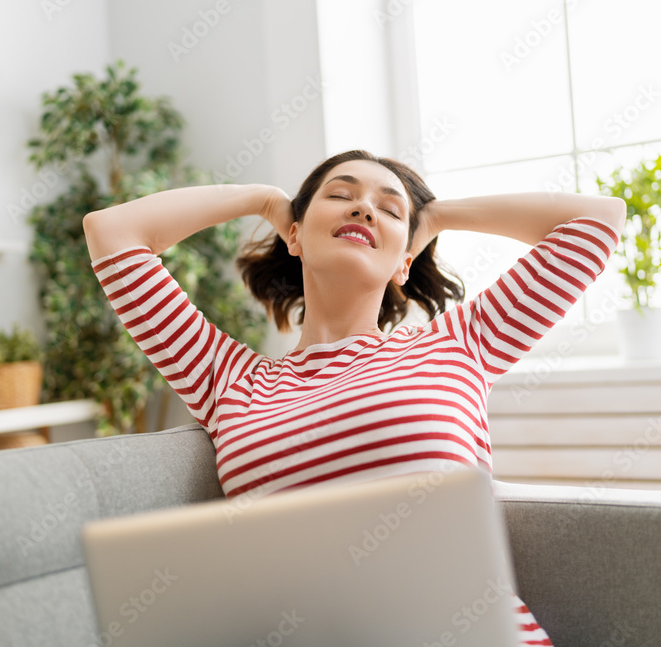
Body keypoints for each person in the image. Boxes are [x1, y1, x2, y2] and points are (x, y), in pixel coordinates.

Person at [83, 149, 626, 646]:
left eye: (389, 210)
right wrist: (264, 200)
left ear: (405, 262)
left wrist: (434, 215)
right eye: (340, 195)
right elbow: (112, 231)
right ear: (294, 236)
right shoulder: (228, 381)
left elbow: (599, 221)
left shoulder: (457, 345)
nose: (363, 209)